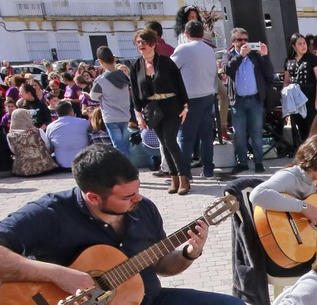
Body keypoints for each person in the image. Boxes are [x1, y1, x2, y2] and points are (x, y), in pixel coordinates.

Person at [0, 145, 252, 305]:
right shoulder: (49, 214)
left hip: (149, 299)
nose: (138, 198)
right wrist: (58, 275)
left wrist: (189, 253)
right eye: (127, 196)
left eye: (137, 190)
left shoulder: (143, 208)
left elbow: (163, 266)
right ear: (92, 196)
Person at [246, 133, 317, 237]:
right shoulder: (290, 177)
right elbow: (257, 194)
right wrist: (303, 207)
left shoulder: (310, 182)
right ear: (314, 160)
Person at [131, 28, 191, 192]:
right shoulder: (136, 65)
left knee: (170, 141)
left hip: (171, 105)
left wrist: (185, 106)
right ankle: (174, 179)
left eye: (144, 42)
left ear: (152, 44)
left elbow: (180, 84)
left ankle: (184, 177)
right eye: (139, 42)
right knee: (163, 144)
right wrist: (139, 116)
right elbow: (135, 92)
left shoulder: (165, 62)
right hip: (152, 108)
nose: (142, 45)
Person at [173, 19, 221, 180]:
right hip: (208, 95)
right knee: (206, 136)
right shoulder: (209, 50)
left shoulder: (183, 49)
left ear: (186, 34)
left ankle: (185, 174)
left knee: (186, 137)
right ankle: (208, 170)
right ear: (202, 33)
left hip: (190, 98)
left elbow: (171, 69)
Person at [88, 46, 133, 152]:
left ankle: (123, 167)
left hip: (111, 116)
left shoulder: (101, 80)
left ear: (100, 61)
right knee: (125, 143)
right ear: (114, 58)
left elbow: (93, 96)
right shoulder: (124, 77)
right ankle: (128, 166)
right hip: (125, 115)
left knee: (118, 145)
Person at [42, 100, 92, 172]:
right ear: (71, 111)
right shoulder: (84, 122)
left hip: (63, 165)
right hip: (84, 163)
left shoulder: (50, 127)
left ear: (57, 113)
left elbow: (50, 147)